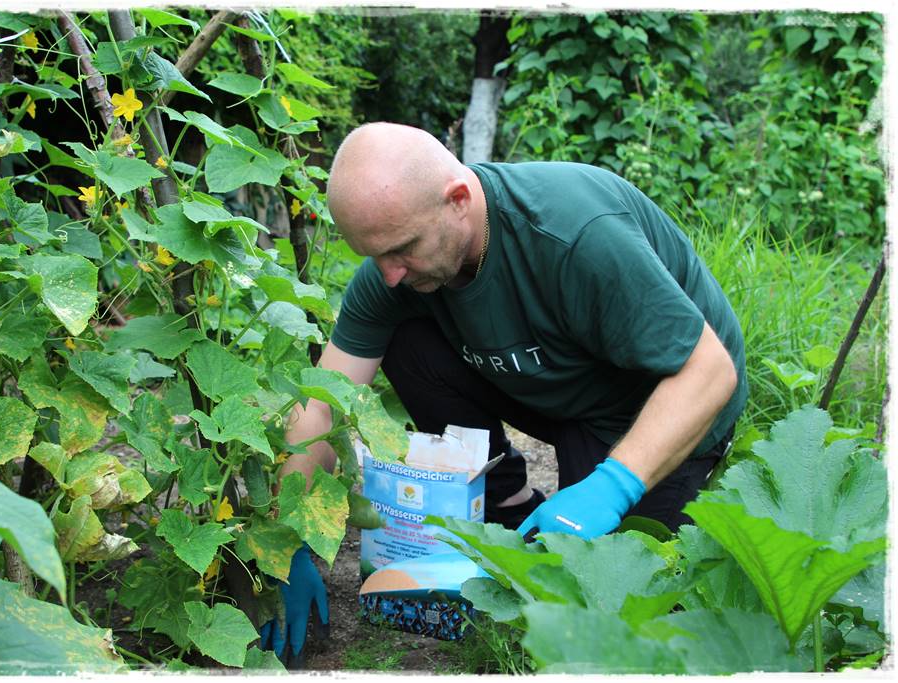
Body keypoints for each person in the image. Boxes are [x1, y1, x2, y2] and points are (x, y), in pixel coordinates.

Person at [259, 122, 747, 664]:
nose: (390, 274)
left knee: (603, 606)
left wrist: (611, 487)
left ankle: (613, 483)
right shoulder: (396, 271)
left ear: (458, 200)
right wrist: (287, 539)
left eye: (402, 250)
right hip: (552, 383)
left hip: (656, 403)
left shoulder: (574, 234)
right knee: (404, 333)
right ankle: (507, 501)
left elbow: (710, 373)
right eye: (374, 256)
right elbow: (324, 400)